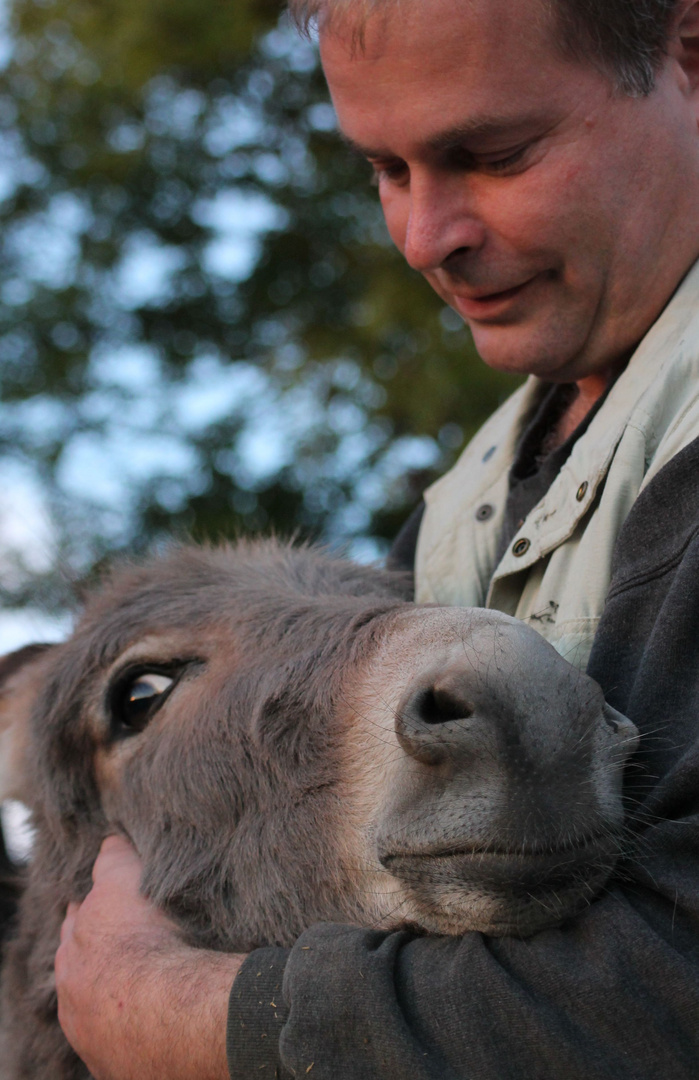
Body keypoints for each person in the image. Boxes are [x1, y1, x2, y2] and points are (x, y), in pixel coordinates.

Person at [55, 0, 699, 1076]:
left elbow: (672, 982)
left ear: (688, 59)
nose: (420, 237)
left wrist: (176, 1009)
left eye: (492, 155)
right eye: (386, 171)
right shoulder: (471, 493)